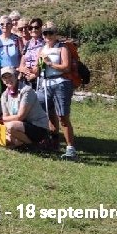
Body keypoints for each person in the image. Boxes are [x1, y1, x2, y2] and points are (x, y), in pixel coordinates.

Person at [36, 21, 79, 161]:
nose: (48, 35)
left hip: (61, 83)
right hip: (46, 83)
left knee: (63, 116)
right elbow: (38, 69)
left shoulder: (63, 48)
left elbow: (66, 67)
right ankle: (53, 142)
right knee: (48, 113)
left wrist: (50, 63)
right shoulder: (42, 49)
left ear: (56, 34)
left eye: (51, 32)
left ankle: (71, 149)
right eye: (45, 33)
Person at [0, 67, 50, 148]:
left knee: (10, 127)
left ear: (16, 76)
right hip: (20, 126)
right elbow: (6, 117)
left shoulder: (27, 91)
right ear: (2, 80)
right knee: (7, 137)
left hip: (37, 126)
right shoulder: (4, 95)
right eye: (4, 77)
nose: (8, 79)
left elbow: (20, 116)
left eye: (10, 76)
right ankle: (19, 142)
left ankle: (33, 146)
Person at [18, 18, 44, 89]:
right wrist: (24, 70)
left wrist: (34, 75)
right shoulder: (28, 44)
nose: (33, 30)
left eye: (36, 27)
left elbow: (44, 64)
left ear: (41, 28)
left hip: (40, 78)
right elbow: (21, 65)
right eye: (30, 28)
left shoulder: (45, 43)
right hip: (26, 78)